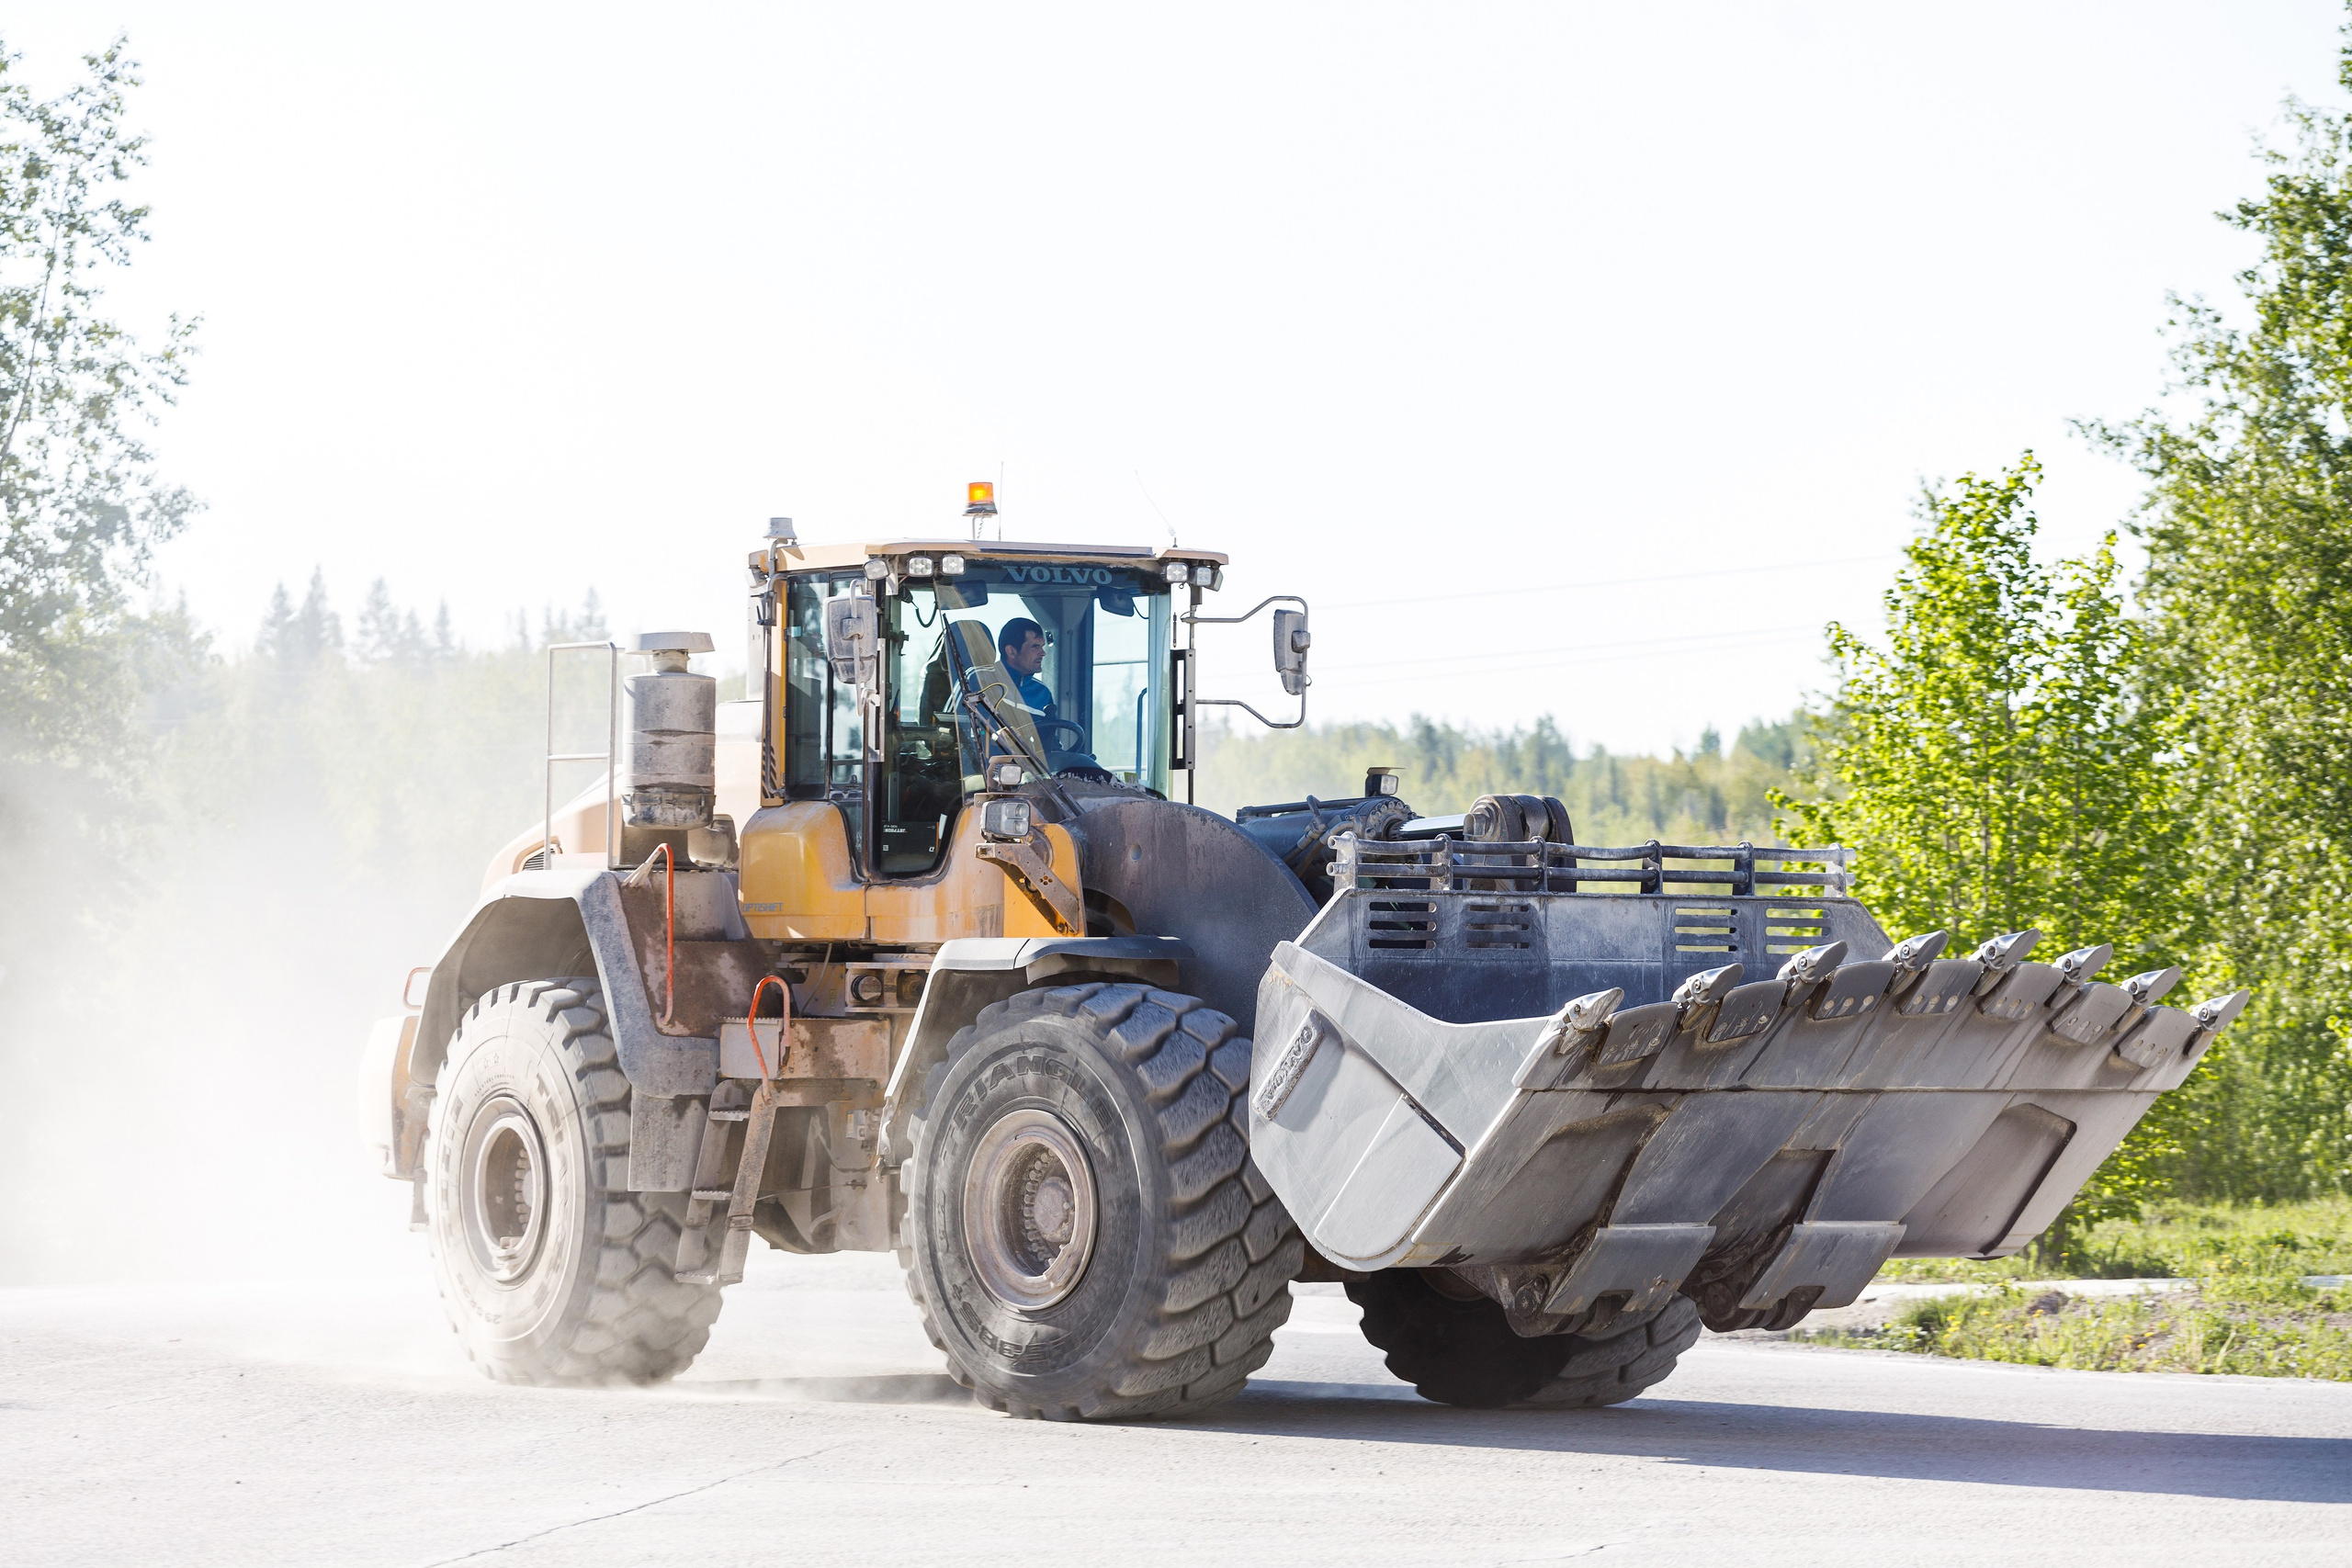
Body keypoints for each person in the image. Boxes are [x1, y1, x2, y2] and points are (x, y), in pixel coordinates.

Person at [998, 617, 1055, 718]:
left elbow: (1050, 733)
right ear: (1011, 651)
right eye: (1035, 646)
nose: (1043, 653)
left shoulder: (1043, 692)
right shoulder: (978, 679)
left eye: (1042, 646)